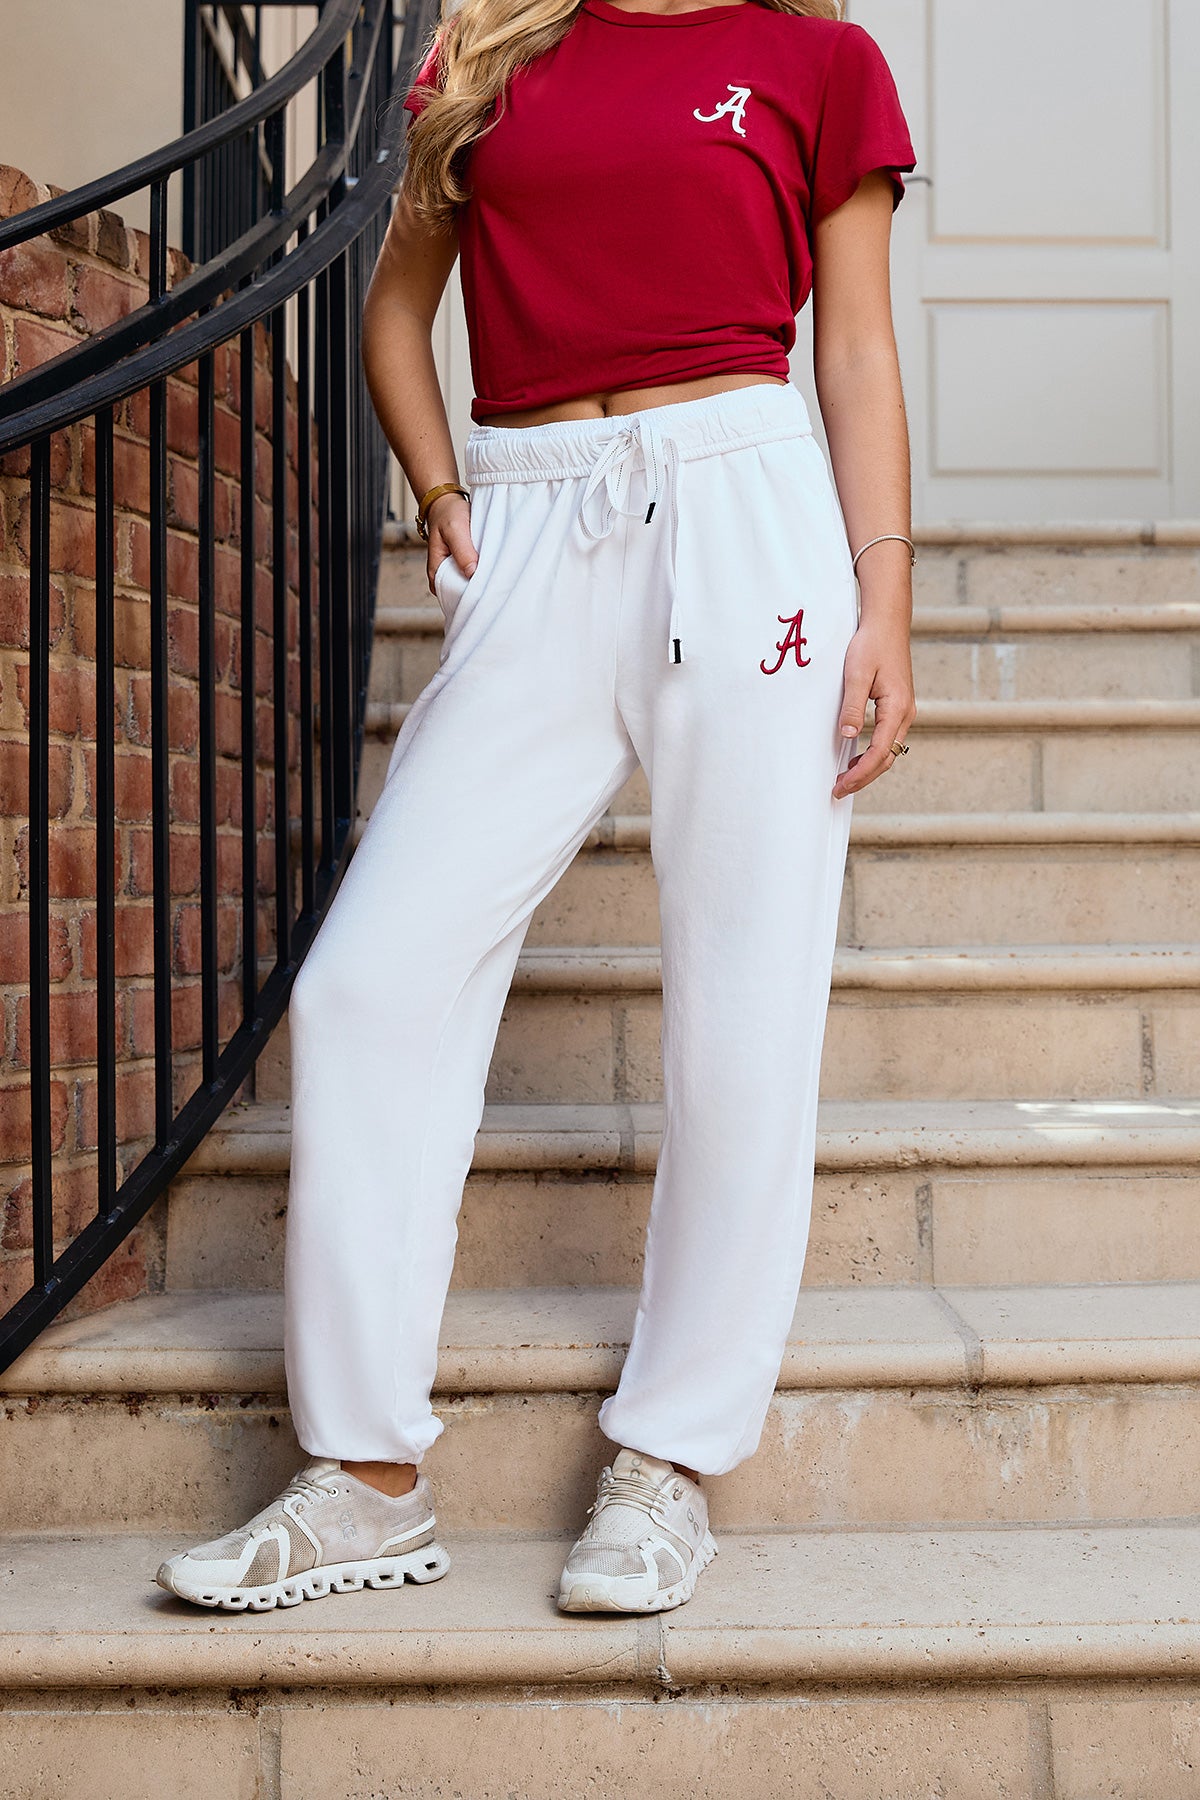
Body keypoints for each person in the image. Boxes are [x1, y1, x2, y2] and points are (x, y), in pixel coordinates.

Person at [157, 0, 917, 1617]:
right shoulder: (488, 56)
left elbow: (852, 344)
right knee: (370, 982)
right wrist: (442, 495)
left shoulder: (816, 60)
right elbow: (392, 318)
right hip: (530, 520)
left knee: (745, 1011)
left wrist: (887, 601)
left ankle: (671, 1461)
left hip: (748, 509)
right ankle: (362, 1474)